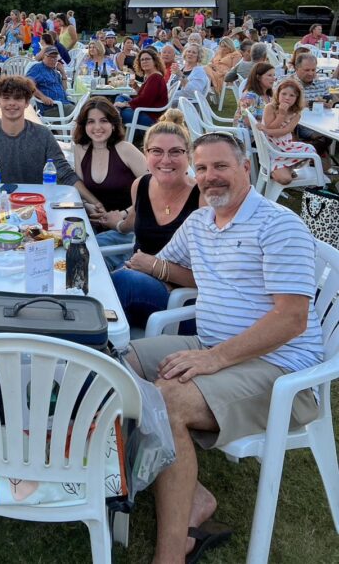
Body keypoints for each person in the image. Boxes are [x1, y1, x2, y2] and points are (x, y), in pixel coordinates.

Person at [125, 131, 323, 563]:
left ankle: (172, 553)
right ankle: (194, 496)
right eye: (202, 169)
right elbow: (174, 268)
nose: (210, 177)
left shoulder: (278, 224)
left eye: (221, 167)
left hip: (280, 368)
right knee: (116, 365)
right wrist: (145, 264)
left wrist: (213, 359)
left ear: (246, 169)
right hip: (212, 341)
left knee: (169, 401)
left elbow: (292, 319)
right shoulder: (200, 223)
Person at [110, 111, 201, 325]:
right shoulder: (140, 185)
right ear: (146, 154)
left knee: (121, 283)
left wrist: (156, 268)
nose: (166, 160)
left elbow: (213, 275)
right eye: (157, 151)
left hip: (181, 303)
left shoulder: (202, 199)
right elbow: (133, 222)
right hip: (138, 284)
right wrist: (114, 223)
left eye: (175, 152)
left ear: (188, 156)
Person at [0, 75, 78, 186]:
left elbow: (65, 173)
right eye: (6, 98)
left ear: (27, 103)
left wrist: (93, 201)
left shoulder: (43, 135)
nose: (12, 103)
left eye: (18, 98)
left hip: (36, 204)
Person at [72, 99, 148, 270]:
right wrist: (88, 206)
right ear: (84, 126)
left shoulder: (125, 149)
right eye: (91, 121)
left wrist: (123, 214)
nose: (97, 127)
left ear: (113, 124)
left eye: (104, 120)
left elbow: (153, 190)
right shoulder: (80, 149)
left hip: (128, 228)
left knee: (83, 257)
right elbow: (80, 189)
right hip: (94, 225)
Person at [260, 79, 320, 184]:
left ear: (297, 98)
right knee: (286, 179)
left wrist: (265, 129)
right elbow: (271, 128)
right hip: (271, 149)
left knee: (310, 149)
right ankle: (278, 169)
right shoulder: (270, 107)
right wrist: (281, 115)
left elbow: (285, 131)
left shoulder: (296, 114)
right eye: (284, 94)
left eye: (292, 95)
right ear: (278, 94)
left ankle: (287, 168)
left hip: (286, 147)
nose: (287, 97)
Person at [114, 49, 168, 128]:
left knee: (115, 112)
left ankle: (116, 115)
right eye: (142, 60)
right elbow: (146, 95)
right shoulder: (151, 76)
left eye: (147, 59)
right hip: (146, 110)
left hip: (150, 117)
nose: (144, 61)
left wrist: (125, 104)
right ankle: (117, 113)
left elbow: (145, 100)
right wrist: (136, 87)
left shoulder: (155, 77)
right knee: (120, 97)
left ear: (155, 61)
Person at [27, 46, 75, 117]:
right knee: (82, 113)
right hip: (51, 108)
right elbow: (28, 84)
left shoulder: (55, 73)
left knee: (84, 109)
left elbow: (64, 90)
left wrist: (63, 73)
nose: (53, 59)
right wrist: (42, 97)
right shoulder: (37, 68)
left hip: (63, 105)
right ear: (44, 57)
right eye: (50, 57)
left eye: (55, 57)